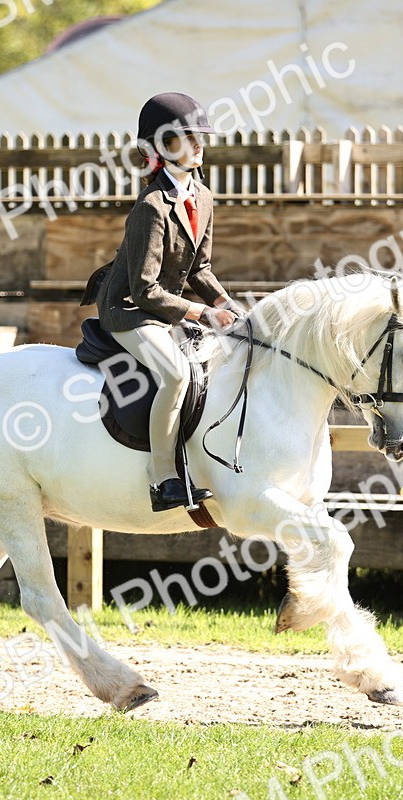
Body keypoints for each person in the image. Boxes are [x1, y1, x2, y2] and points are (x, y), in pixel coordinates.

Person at [90, 92, 242, 512]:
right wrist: (203, 312)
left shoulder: (204, 196)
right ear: (160, 148)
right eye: (185, 138)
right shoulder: (151, 207)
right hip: (129, 309)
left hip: (162, 306)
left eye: (199, 138)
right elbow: (144, 290)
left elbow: (200, 268)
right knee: (176, 375)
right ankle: (163, 479)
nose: (198, 146)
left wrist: (229, 303)